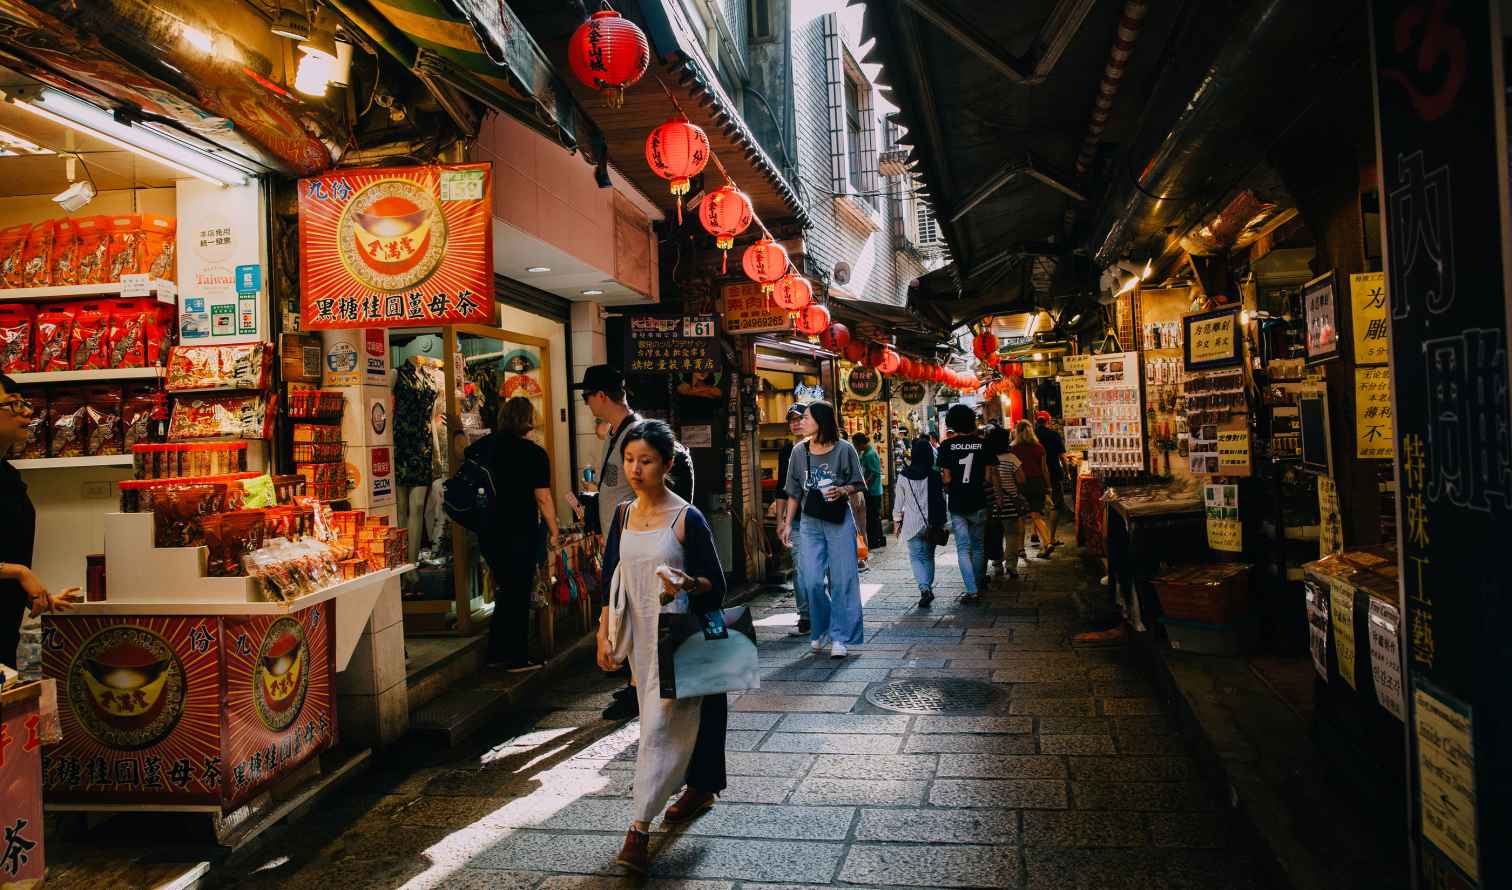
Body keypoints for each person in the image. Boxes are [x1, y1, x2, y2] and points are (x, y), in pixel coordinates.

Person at [592, 420, 727, 875]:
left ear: (667, 465)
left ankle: (638, 829)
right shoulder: (623, 515)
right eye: (629, 460)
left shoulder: (687, 517)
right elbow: (612, 575)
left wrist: (690, 582)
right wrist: (603, 631)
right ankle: (693, 788)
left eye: (645, 461)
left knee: (656, 730)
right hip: (638, 642)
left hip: (677, 641)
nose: (635, 469)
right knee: (657, 725)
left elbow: (717, 585)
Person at [574, 364, 695, 720]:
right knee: (630, 616)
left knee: (644, 618)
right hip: (627, 544)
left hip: (645, 547)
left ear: (600, 395)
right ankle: (636, 685)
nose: (587, 405)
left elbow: (680, 467)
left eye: (586, 398)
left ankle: (646, 689)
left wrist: (670, 530)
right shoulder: (617, 434)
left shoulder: (637, 434)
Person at [473, 397, 560, 671]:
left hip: (488, 532)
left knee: (505, 590)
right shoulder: (533, 453)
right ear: (527, 419)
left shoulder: (483, 448)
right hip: (520, 531)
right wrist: (555, 530)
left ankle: (496, 653)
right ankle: (516, 656)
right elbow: (543, 498)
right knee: (518, 592)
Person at [0, 374, 76, 668]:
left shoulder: (8, 475)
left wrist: (40, 597)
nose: (27, 412)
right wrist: (17, 572)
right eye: (13, 405)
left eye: (25, 404)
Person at [778, 401, 864, 658]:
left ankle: (840, 636)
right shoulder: (798, 451)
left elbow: (858, 483)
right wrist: (785, 522)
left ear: (821, 421)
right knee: (811, 581)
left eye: (805, 418)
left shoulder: (845, 449)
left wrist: (843, 489)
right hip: (809, 521)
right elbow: (793, 491)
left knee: (842, 579)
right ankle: (823, 627)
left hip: (838, 520)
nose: (800, 422)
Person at [936, 404, 989, 603]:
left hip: (958, 503)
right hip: (979, 500)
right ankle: (977, 582)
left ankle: (971, 590)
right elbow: (988, 476)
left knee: (962, 547)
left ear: (952, 423)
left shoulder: (947, 445)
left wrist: (949, 486)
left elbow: (947, 479)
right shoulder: (983, 444)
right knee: (978, 546)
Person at [893, 436, 946, 608]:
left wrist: (896, 521)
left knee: (916, 557)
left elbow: (898, 503)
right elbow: (941, 500)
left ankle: (924, 589)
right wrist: (943, 522)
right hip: (932, 523)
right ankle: (927, 587)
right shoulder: (935, 475)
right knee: (928, 557)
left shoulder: (903, 476)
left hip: (911, 524)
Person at [775, 403, 811, 635]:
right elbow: (781, 488)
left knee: (820, 569)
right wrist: (780, 519)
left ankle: (823, 609)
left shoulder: (819, 446)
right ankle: (805, 616)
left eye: (800, 419)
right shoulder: (787, 451)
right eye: (792, 420)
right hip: (796, 520)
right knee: (799, 568)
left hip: (820, 517)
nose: (796, 423)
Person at [1012, 419, 1057, 558]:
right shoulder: (1039, 447)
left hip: (1021, 484)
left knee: (1021, 517)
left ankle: (1020, 549)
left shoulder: (1013, 448)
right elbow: (1044, 469)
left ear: (1017, 432)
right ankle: (1048, 543)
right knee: (1037, 516)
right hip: (1038, 484)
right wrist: (1048, 486)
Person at [985, 425, 1025, 582]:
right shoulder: (1011, 458)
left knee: (996, 534)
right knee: (1012, 534)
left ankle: (997, 563)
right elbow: (1022, 479)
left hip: (993, 503)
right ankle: (1011, 566)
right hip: (1010, 502)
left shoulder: (988, 459)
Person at [1035, 410, 1069, 542]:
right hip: (1054, 472)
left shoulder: (1032, 436)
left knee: (1037, 506)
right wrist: (1066, 471)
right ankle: (1052, 538)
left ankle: (1036, 534)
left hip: (1036, 474)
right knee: (1055, 504)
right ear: (1048, 421)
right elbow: (1062, 456)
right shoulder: (1054, 435)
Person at [853, 432, 886, 551]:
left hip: (873, 491)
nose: (855, 446)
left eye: (856, 444)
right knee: (874, 516)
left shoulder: (870, 454)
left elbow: (874, 473)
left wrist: (865, 485)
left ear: (861, 443)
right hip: (873, 490)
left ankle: (874, 541)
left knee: (872, 517)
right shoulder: (866, 453)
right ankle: (877, 539)